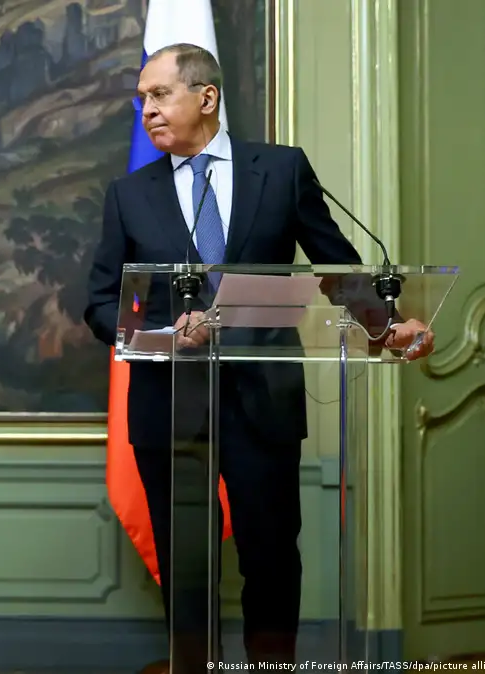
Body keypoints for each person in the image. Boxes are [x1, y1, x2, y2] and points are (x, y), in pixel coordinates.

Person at [83, 44, 434, 670]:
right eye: (142, 100)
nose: (147, 110)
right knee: (187, 566)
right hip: (171, 407)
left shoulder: (281, 169)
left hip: (263, 399)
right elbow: (101, 303)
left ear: (206, 97)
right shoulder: (128, 194)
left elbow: (335, 265)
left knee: (271, 559)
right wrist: (163, 335)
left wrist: (386, 326)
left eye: (159, 94)